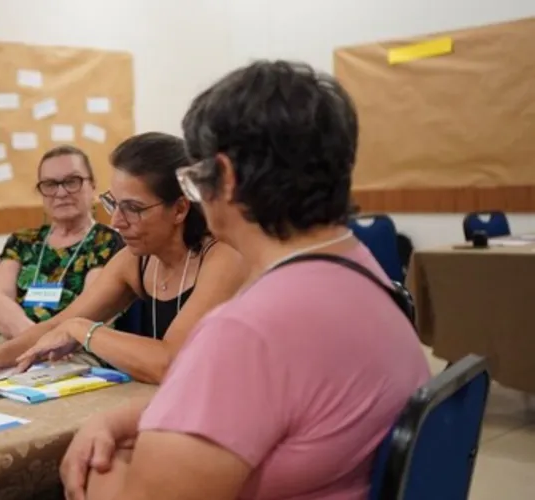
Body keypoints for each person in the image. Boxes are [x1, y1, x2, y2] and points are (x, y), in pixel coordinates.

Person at [60, 61, 431, 500]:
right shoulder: (361, 268)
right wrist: (114, 419)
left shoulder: (249, 329)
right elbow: (255, 404)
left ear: (226, 178)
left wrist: (98, 470)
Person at [0, 132, 246, 384]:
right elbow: (58, 323)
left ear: (180, 209)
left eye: (133, 208)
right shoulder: (138, 260)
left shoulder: (224, 258)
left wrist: (82, 329)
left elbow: (169, 363)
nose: (117, 221)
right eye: (113, 204)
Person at [0, 145, 124, 340]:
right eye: (50, 184)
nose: (61, 192)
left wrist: (48, 343)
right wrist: (32, 339)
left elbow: (92, 310)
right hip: (14, 344)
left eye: (71, 181)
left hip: (75, 350)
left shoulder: (107, 241)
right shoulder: (23, 241)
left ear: (92, 185)